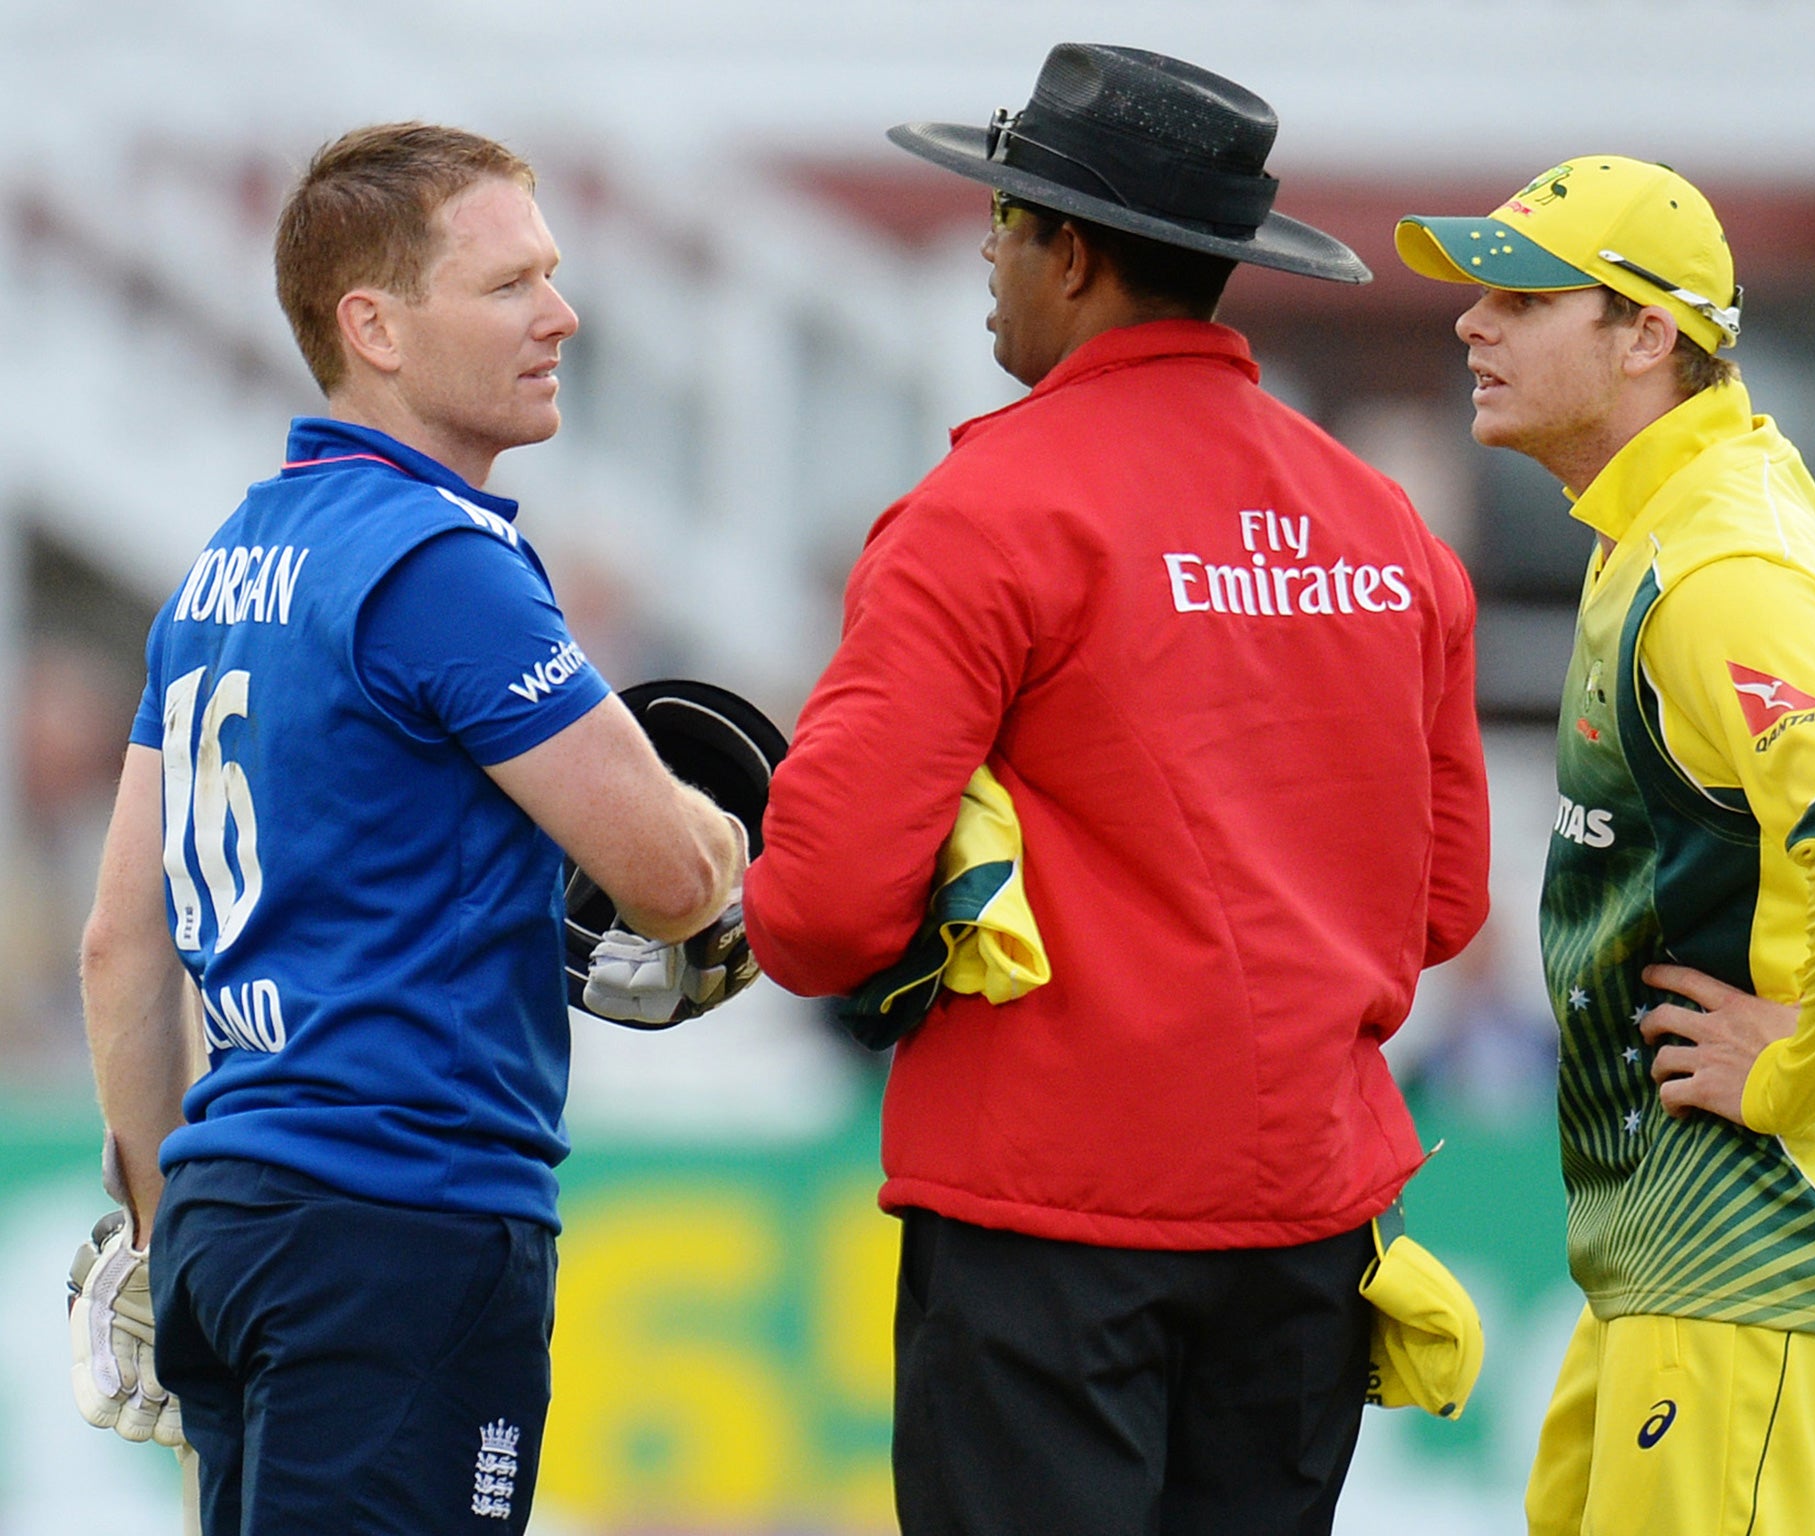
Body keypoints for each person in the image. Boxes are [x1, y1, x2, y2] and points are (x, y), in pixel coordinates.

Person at [742, 43, 1491, 1535]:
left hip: (1047, 1224)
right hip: (1307, 1224)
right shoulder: (1383, 522)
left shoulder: (987, 510)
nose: (989, 255)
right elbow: (1446, 906)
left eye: (1003, 222)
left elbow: (818, 916)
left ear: (1069, 253)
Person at [76, 121, 747, 1534]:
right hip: (401, 1225)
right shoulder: (439, 558)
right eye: (508, 285)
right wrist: (728, 841)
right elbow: (674, 878)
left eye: (552, 276)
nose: (561, 315)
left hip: (227, 1219)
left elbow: (120, 954)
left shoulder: (222, 566)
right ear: (372, 325)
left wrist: (153, 1239)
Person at [1396, 155, 1815, 1536]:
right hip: (1685, 1260)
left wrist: (1796, 1068)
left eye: (1524, 297)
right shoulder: (1668, 520)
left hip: (1769, 1247)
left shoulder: (1719, 565)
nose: (1474, 324)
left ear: (1648, 335)